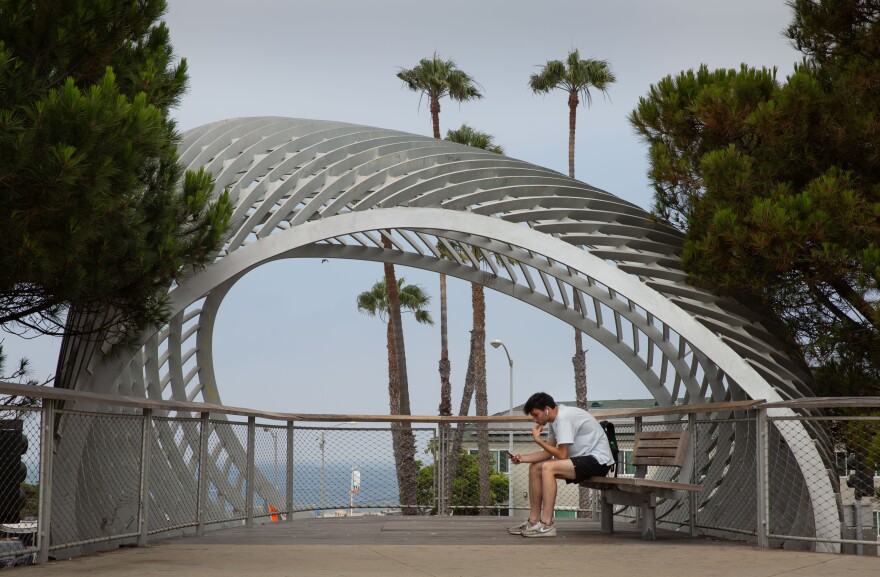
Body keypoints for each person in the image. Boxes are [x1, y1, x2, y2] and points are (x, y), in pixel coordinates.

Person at [507, 391, 614, 538]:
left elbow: (562, 455)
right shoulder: (553, 420)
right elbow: (548, 453)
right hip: (583, 460)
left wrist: (538, 440)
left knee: (547, 467)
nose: (534, 419)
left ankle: (547, 524)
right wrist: (522, 458)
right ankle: (533, 521)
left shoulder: (563, 418)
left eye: (535, 415)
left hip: (598, 461)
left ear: (546, 409)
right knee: (535, 467)